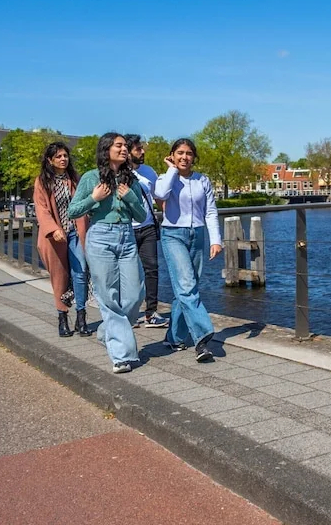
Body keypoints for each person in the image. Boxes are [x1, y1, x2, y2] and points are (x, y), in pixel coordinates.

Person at [68, 133, 147, 374]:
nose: (124, 150)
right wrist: (94, 198)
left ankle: (106, 331)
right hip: (101, 237)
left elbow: (142, 216)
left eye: (125, 146)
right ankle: (121, 356)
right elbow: (73, 210)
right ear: (106, 149)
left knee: (135, 294)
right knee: (108, 296)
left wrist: (131, 197)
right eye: (119, 145)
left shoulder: (130, 179)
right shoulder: (91, 177)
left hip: (127, 237)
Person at [153, 137, 222, 363]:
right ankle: (202, 336)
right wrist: (171, 170)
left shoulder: (203, 180)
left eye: (189, 153)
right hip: (173, 234)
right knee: (186, 286)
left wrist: (215, 240)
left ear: (194, 157)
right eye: (180, 153)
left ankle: (174, 337)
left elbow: (210, 211)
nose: (184, 157)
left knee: (187, 288)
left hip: (197, 235)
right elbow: (160, 195)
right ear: (172, 155)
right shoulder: (165, 178)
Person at [33, 141, 90, 337]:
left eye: (65, 155)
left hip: (75, 232)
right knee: (59, 277)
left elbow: (84, 202)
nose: (63, 159)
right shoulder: (42, 182)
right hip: (55, 236)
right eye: (58, 156)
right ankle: (62, 317)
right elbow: (41, 209)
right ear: (50, 160)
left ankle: (81, 317)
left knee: (80, 272)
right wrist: (53, 228)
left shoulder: (74, 179)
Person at [124, 134, 167, 329]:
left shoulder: (149, 171)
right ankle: (129, 313)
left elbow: (159, 199)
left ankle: (151, 313)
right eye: (138, 149)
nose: (142, 152)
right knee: (128, 272)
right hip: (127, 228)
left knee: (152, 269)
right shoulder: (119, 173)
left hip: (148, 227)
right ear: (128, 152)